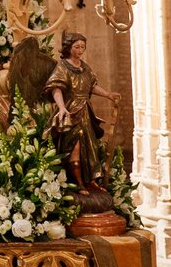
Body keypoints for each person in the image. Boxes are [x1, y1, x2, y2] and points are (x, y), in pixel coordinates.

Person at [44, 32, 121, 193]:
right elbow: (56, 89)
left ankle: (91, 180)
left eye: (82, 47)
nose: (80, 50)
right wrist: (62, 107)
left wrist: (107, 94)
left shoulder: (84, 67)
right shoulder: (63, 66)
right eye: (77, 47)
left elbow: (92, 86)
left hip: (85, 112)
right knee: (74, 147)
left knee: (90, 147)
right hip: (70, 112)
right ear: (68, 48)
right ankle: (77, 183)